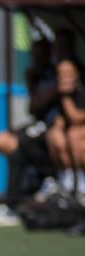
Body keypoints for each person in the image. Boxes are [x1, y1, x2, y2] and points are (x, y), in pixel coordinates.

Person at [0, 39, 58, 227]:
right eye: (35, 54)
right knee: (0, 141)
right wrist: (31, 82)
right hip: (38, 124)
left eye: (41, 54)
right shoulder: (36, 75)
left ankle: (45, 181)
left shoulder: (56, 74)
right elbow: (34, 109)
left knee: (18, 147)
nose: (37, 58)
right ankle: (25, 191)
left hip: (54, 126)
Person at [45, 58, 85, 200]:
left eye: (68, 74)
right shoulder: (53, 93)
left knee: (75, 136)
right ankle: (65, 181)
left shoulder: (78, 93)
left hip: (78, 135)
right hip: (65, 135)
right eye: (61, 74)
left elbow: (76, 118)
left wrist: (65, 97)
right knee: (56, 136)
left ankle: (81, 184)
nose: (64, 78)